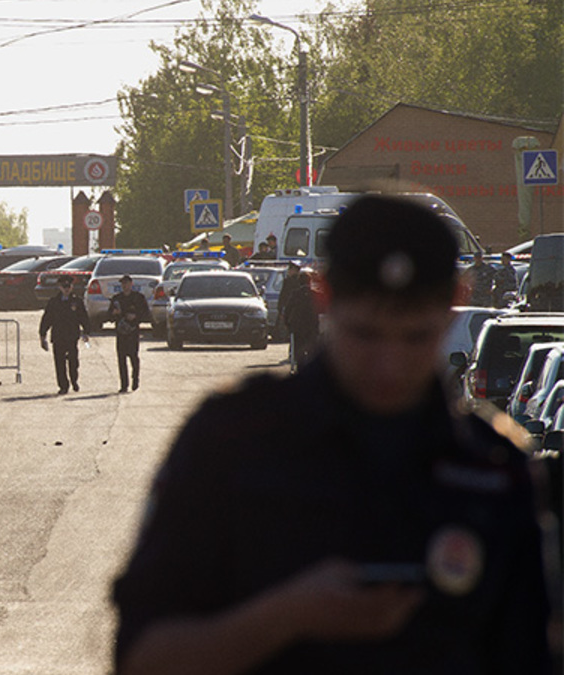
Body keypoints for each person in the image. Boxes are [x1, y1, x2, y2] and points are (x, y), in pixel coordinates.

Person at [113, 194, 550, 674]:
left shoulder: (490, 468)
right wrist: (285, 616)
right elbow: (141, 657)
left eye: (414, 337)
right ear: (324, 296)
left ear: (457, 305)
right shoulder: (232, 442)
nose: (389, 364)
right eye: (365, 334)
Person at [39, 275, 90, 395]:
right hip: (58, 336)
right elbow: (47, 319)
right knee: (59, 363)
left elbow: (83, 317)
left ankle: (74, 380)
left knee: (73, 362)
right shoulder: (54, 302)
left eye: (68, 286)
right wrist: (42, 335)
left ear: (72, 287)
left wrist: (86, 331)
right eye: (64, 286)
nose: (66, 289)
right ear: (59, 287)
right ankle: (63, 385)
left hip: (72, 336)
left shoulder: (77, 301)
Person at [109, 274, 149, 393]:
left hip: (133, 332)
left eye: (126, 283)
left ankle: (135, 379)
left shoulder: (138, 298)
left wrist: (135, 316)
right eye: (122, 284)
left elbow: (146, 314)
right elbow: (109, 316)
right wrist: (114, 313)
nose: (124, 286)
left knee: (133, 357)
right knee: (121, 359)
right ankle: (124, 385)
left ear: (131, 284)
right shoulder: (117, 298)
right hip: (121, 332)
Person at [285, 270, 320, 370]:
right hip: (312, 327)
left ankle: (300, 368)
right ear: (310, 282)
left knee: (299, 349)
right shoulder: (315, 294)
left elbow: (288, 310)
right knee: (312, 349)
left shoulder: (295, 294)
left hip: (298, 327)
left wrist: (288, 324)